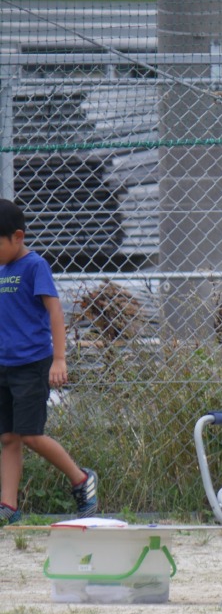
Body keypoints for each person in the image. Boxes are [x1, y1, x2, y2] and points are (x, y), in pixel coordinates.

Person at [0, 199, 98, 525]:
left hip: (32, 364)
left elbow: (55, 311)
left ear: (18, 236)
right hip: (4, 365)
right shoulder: (1, 268)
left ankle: (81, 479)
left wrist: (59, 358)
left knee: (30, 435)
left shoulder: (34, 266)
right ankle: (8, 506)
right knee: (8, 437)